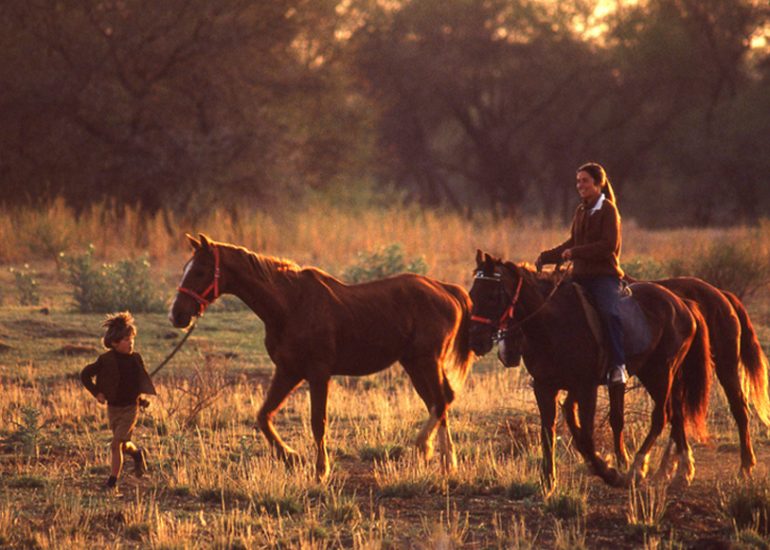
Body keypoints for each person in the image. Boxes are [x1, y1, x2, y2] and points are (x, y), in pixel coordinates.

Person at [536, 162, 629, 387]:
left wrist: (575, 252)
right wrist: (547, 256)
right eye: (578, 181)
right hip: (579, 277)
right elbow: (572, 242)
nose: (580, 185)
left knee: (608, 312)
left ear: (599, 183)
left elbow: (608, 245)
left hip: (603, 277)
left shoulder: (608, 210)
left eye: (585, 181)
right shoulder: (581, 210)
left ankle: (618, 365)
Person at [81, 311, 156, 490]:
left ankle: (112, 482)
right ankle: (137, 454)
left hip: (131, 408)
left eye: (132, 340)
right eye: (126, 340)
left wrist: (141, 398)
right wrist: (96, 392)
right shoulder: (105, 360)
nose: (130, 343)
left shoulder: (136, 359)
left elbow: (138, 382)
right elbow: (85, 375)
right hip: (113, 408)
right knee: (121, 445)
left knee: (115, 444)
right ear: (114, 343)